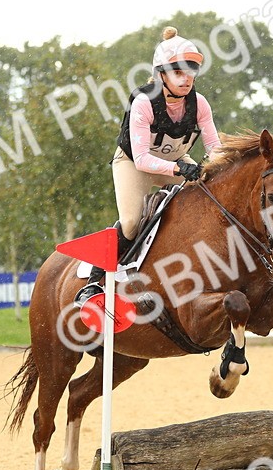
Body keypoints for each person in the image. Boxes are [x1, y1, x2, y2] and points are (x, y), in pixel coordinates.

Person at [75, 26, 222, 307]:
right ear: (160, 75)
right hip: (134, 164)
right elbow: (142, 159)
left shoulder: (200, 104)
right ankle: (94, 282)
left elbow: (215, 148)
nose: (187, 79)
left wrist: (214, 167)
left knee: (210, 201)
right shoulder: (144, 102)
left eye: (191, 73)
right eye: (179, 73)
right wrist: (180, 170)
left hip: (177, 164)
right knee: (131, 221)